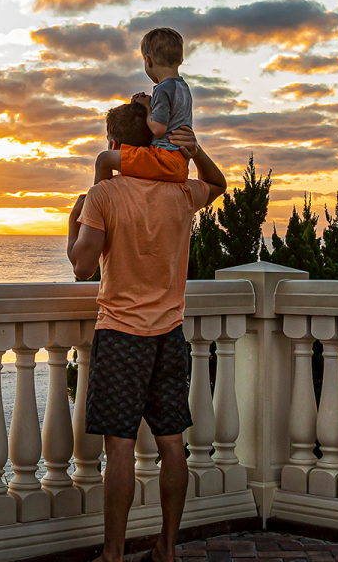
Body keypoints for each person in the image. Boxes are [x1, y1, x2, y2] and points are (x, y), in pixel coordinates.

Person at [66, 98, 226, 562]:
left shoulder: (104, 196)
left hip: (121, 333)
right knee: (172, 443)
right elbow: (218, 184)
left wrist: (74, 219)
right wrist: (192, 150)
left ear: (116, 145)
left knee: (120, 448)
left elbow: (81, 267)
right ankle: (167, 549)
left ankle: (113, 554)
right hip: (169, 333)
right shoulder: (181, 194)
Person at [93, 27, 192, 185]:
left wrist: (147, 108)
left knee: (104, 159)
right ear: (180, 59)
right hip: (181, 161)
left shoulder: (162, 89)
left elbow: (158, 129)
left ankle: (100, 195)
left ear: (148, 60)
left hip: (164, 160)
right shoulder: (183, 87)